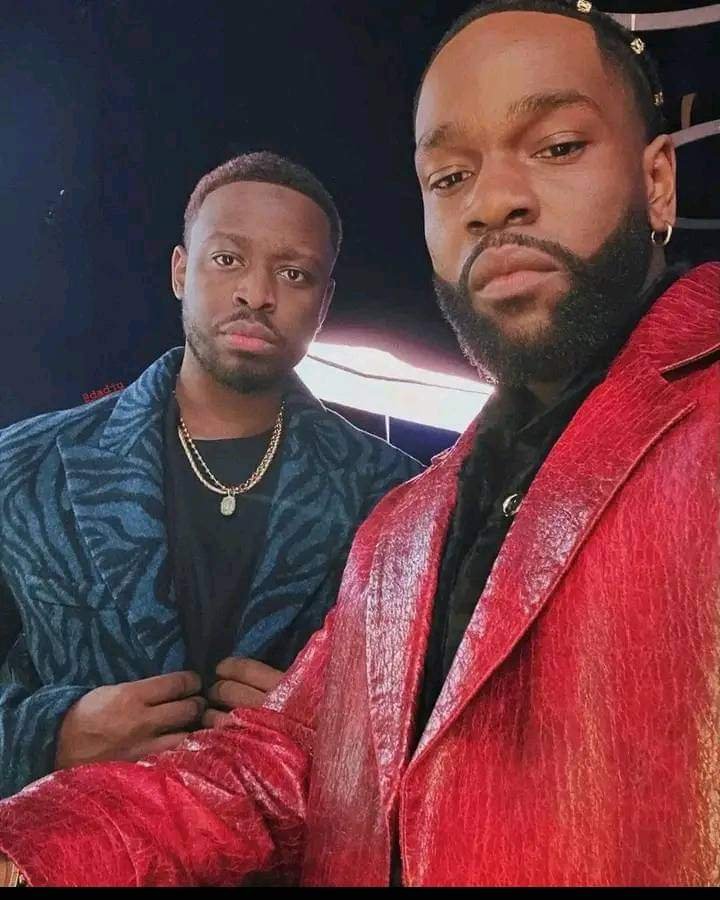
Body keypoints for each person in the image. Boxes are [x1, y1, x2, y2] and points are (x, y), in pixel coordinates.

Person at [1, 0, 719, 886]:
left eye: (558, 145)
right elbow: (282, 760)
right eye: (449, 176)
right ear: (181, 269)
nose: (493, 200)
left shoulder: (380, 490)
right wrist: (44, 751)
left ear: (658, 180)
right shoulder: (410, 524)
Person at [0, 152, 421, 799]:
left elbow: (440, 727)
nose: (257, 293)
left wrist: (336, 737)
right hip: (69, 844)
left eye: (294, 272)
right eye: (228, 259)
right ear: (180, 270)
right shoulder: (26, 466)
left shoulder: (398, 498)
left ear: (324, 302)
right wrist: (47, 736)